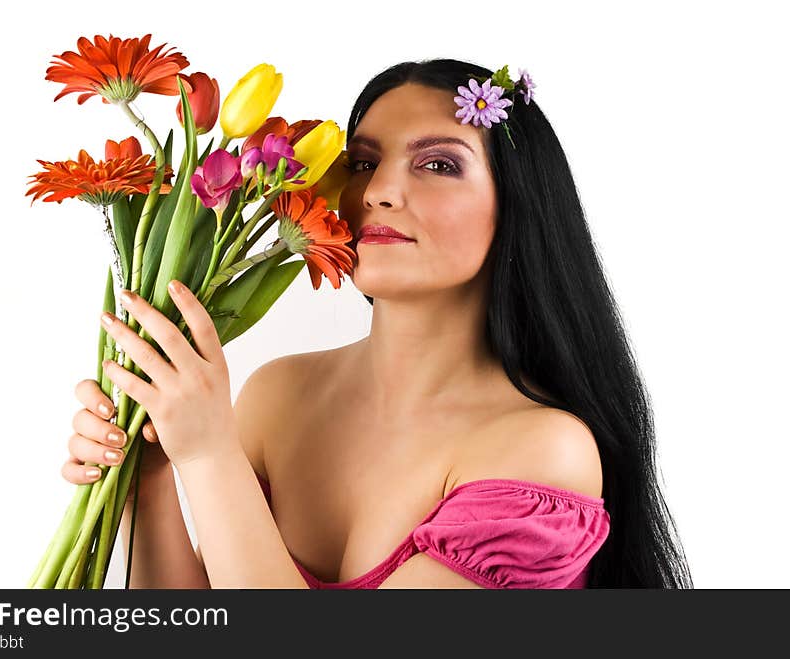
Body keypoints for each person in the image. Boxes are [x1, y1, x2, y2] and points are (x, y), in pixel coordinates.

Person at [61, 59, 693, 589]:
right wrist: (152, 474)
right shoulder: (279, 396)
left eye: (439, 164)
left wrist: (207, 452)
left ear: (517, 203)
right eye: (362, 162)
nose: (379, 191)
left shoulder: (541, 450)